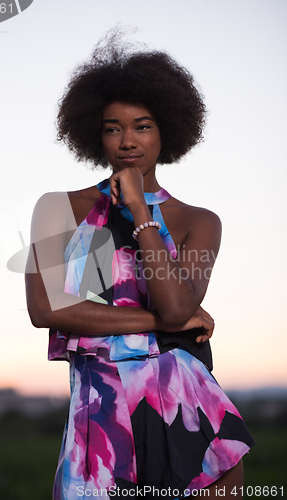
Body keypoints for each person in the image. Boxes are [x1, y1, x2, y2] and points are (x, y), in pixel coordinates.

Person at [25, 30, 254, 500]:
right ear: (95, 132)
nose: (127, 140)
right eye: (113, 128)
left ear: (166, 130)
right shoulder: (57, 208)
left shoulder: (198, 221)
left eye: (143, 126)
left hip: (186, 410)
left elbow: (175, 310)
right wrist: (164, 322)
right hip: (99, 415)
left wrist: (140, 210)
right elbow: (46, 310)